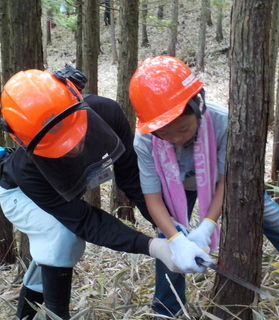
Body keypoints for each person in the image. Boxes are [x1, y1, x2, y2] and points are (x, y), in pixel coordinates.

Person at [0, 66, 213, 320]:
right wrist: (154, 247)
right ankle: (57, 315)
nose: (75, 146)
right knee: (63, 237)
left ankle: (25, 314)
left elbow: (131, 177)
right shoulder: (28, 171)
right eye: (59, 146)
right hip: (17, 194)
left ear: (76, 97)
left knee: (50, 252)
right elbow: (85, 221)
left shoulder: (106, 112)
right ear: (23, 141)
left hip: (61, 192)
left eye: (75, 129)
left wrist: (173, 230)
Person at [129, 55, 279, 318]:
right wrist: (175, 239)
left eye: (183, 129)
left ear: (198, 105)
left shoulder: (222, 122)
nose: (175, 139)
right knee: (170, 242)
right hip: (174, 190)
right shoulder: (146, 140)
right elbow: (153, 199)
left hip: (220, 184)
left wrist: (208, 225)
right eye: (164, 134)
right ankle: (168, 309)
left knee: (274, 218)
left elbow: (227, 182)